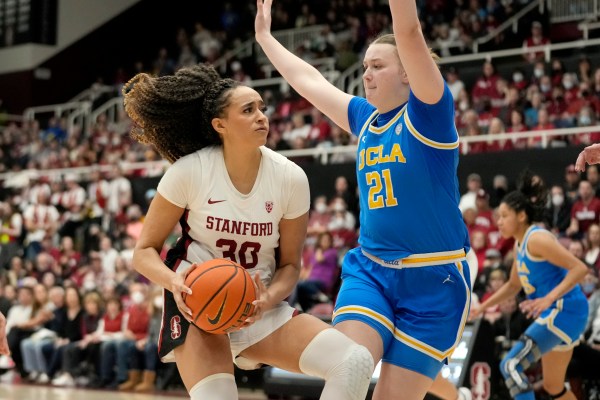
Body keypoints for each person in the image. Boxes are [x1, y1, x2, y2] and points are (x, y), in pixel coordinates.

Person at [255, 0, 471, 398]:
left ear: (407, 71)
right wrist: (265, 39)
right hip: (371, 271)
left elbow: (408, 32)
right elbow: (310, 81)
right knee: (348, 367)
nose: (366, 75)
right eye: (366, 66)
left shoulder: (429, 115)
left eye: (378, 66)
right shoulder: (366, 119)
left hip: (434, 281)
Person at [123, 63, 374, 400]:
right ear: (220, 124)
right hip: (197, 306)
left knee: (354, 360)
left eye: (262, 108)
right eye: (248, 109)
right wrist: (175, 284)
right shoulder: (190, 171)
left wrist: (265, 300)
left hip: (258, 305)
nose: (261, 117)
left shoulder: (290, 178)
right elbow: (143, 252)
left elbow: (290, 267)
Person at [470, 171, 588, 400]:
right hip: (562, 312)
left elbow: (580, 269)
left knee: (510, 366)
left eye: (504, 216)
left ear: (521, 216)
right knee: (554, 387)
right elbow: (513, 285)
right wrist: (481, 308)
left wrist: (547, 299)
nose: (499, 222)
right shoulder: (519, 245)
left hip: (565, 310)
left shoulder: (537, 239)